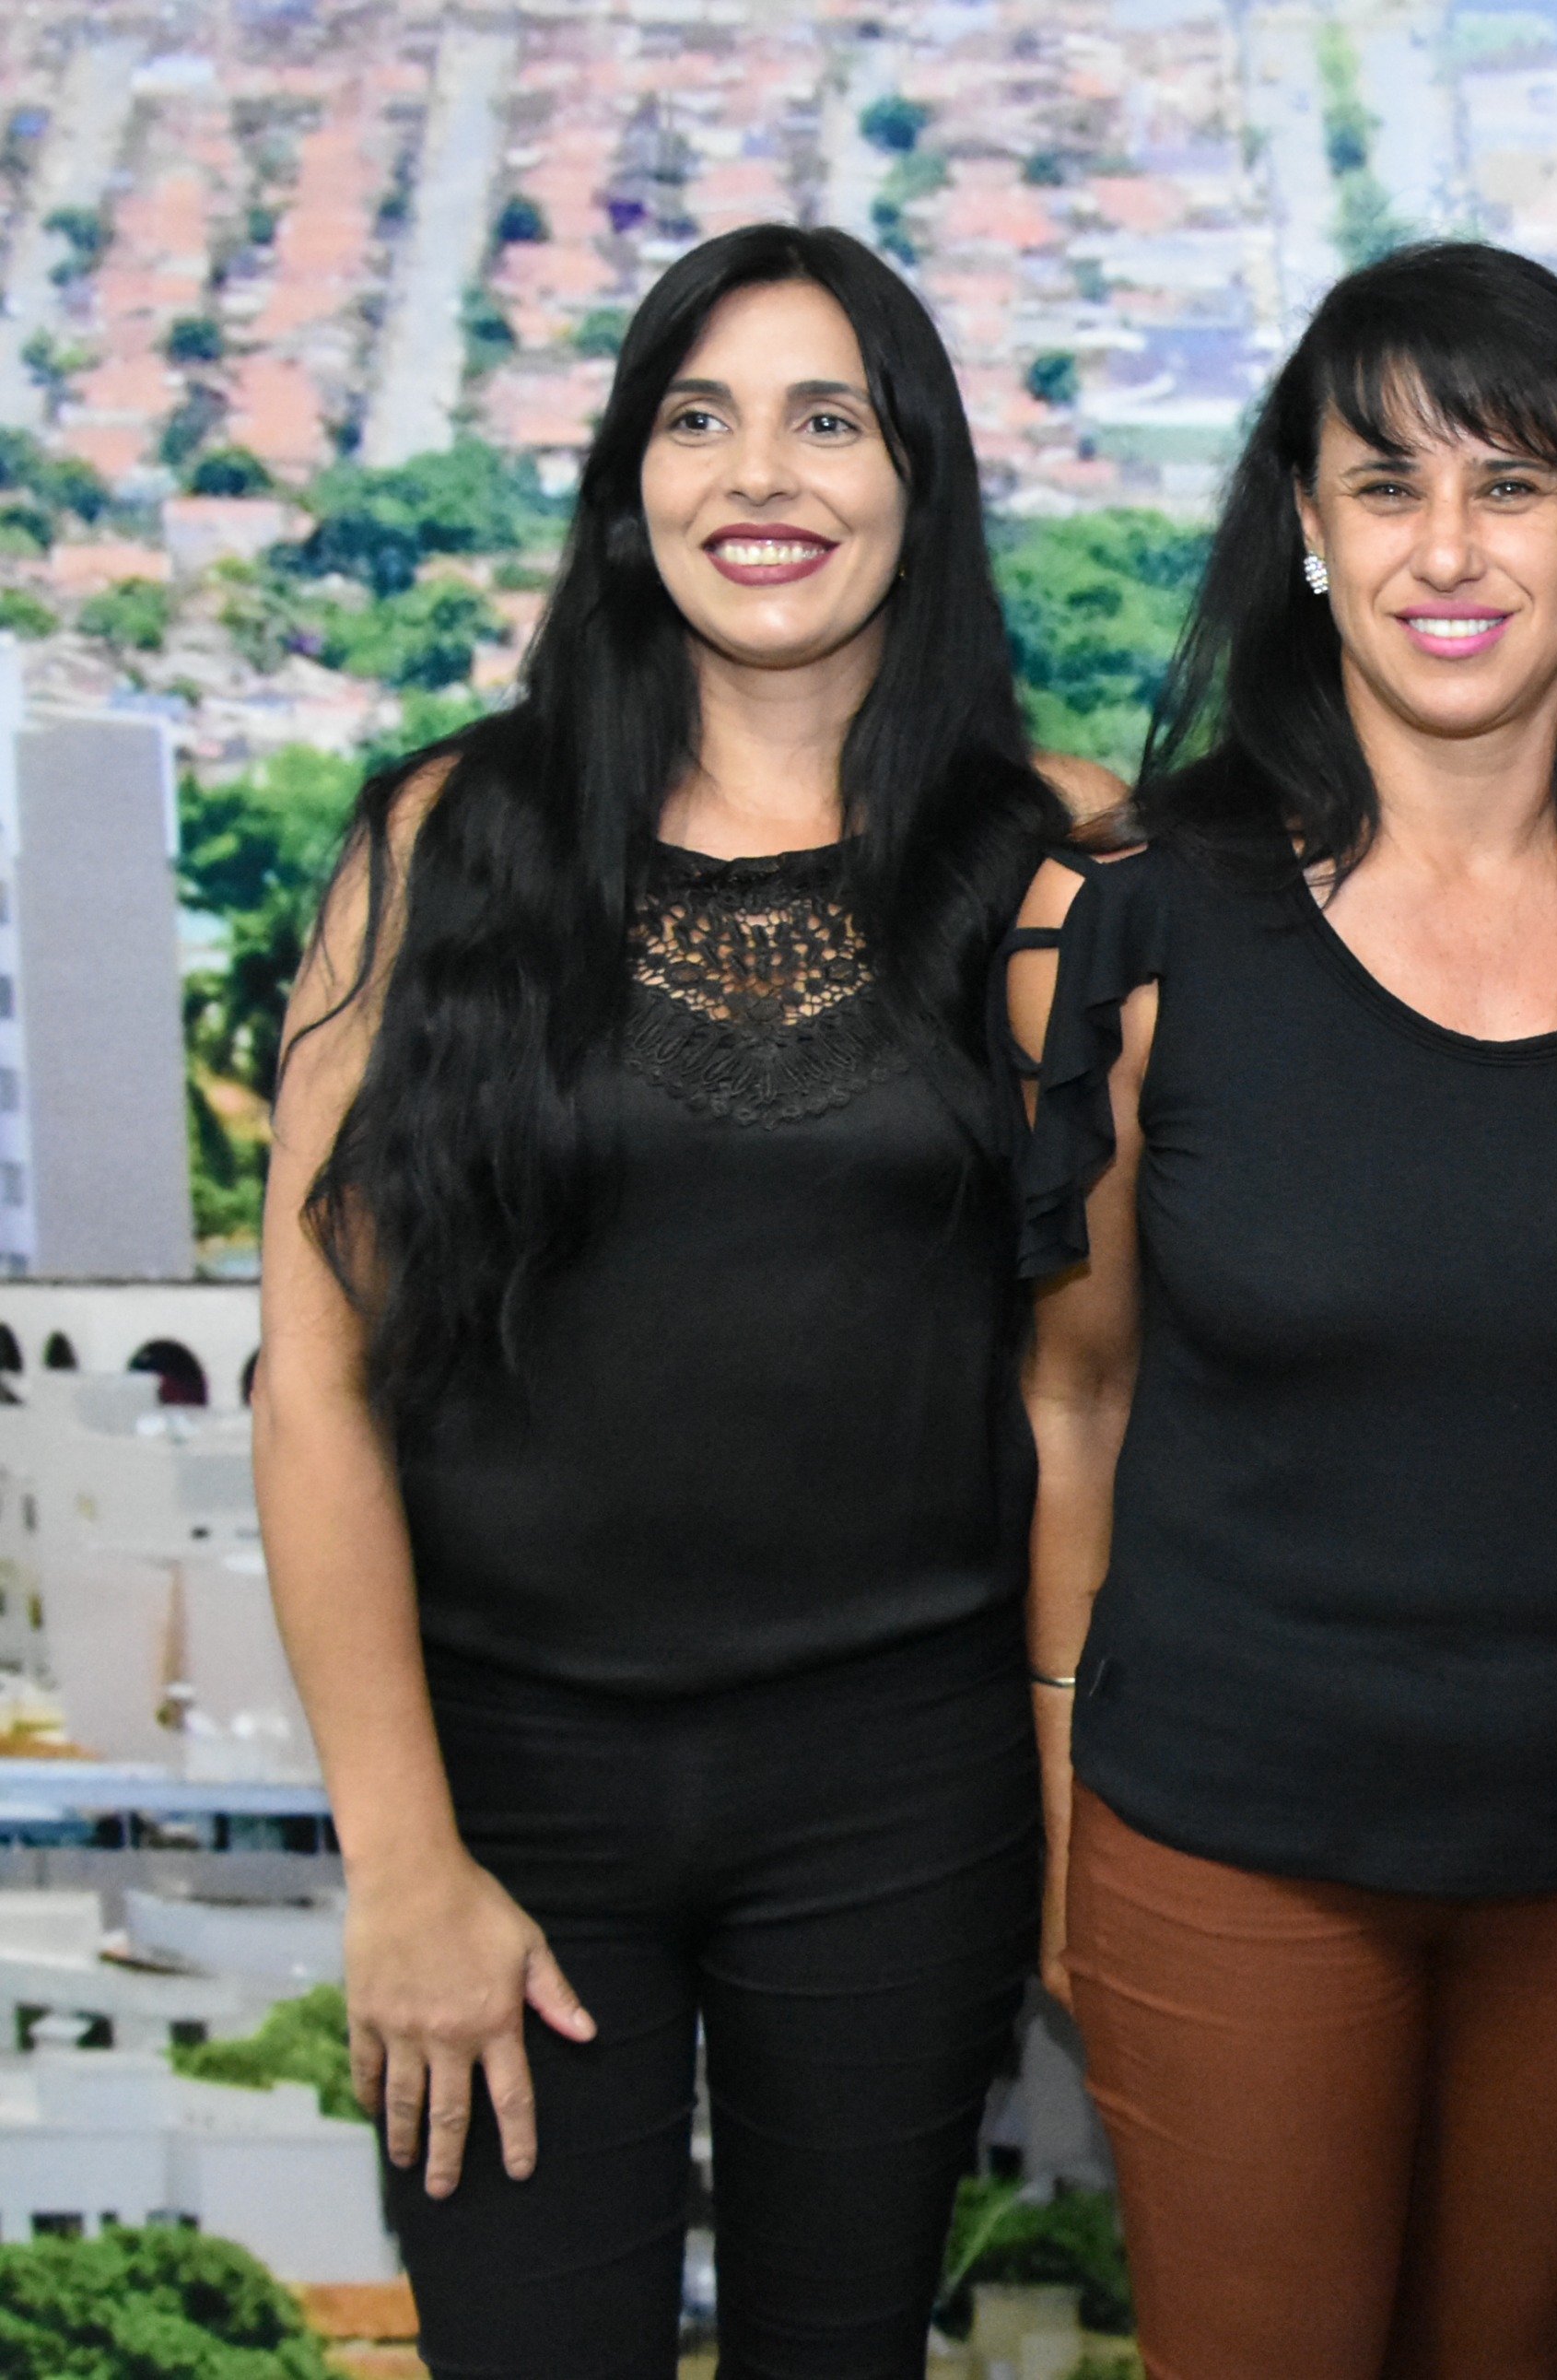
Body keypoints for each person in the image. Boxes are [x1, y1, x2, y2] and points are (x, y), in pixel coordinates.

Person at [253, 223, 1119, 2378]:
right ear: (629, 484)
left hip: (902, 1787)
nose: (762, 474)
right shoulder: (444, 838)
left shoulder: (1058, 855)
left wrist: (1067, 1810)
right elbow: (316, 1381)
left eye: (828, 419)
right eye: (699, 417)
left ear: (916, 477)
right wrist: (402, 1860)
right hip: (508, 1785)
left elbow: (1086, 1392)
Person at [1006, 241, 1557, 2380]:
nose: (1447, 548)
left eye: (1508, 483)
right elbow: (1071, 1404)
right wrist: (1063, 1810)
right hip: (1226, 1830)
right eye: (1385, 485)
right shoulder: (1133, 915)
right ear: (1307, 528)